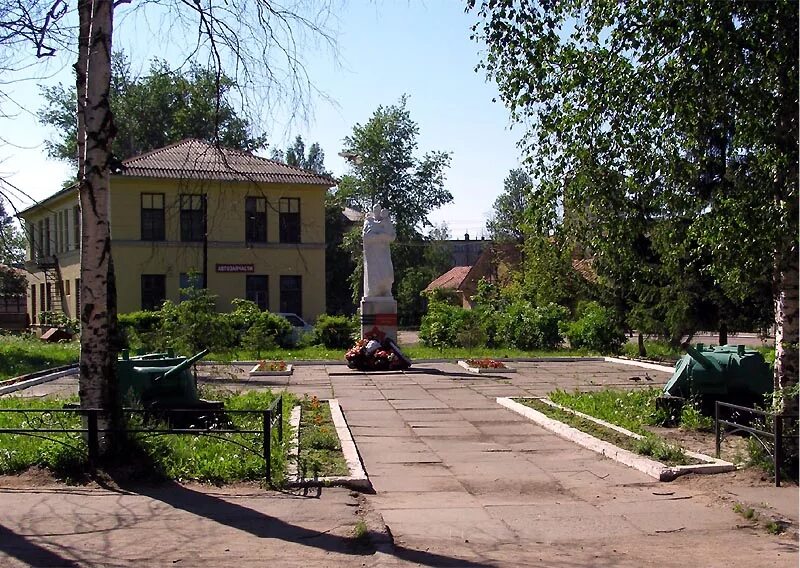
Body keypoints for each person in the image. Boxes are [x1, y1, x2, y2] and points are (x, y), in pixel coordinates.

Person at [362, 203, 395, 298]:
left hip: (384, 253)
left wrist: (384, 234)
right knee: (374, 275)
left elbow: (392, 236)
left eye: (378, 210)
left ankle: (386, 290)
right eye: (375, 210)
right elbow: (365, 237)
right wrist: (378, 236)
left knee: (387, 273)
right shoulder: (369, 222)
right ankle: (374, 292)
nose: (377, 212)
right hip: (373, 254)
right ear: (373, 211)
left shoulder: (386, 222)